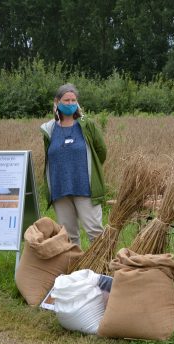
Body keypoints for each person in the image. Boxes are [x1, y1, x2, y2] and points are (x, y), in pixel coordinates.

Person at [40, 83, 107, 247]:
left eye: (73, 100)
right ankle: (75, 270)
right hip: (60, 189)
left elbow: (101, 151)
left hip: (85, 187)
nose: (70, 104)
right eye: (66, 100)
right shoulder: (49, 129)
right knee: (69, 237)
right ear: (57, 102)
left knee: (95, 232)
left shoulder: (86, 125)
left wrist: (89, 170)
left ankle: (101, 268)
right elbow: (49, 156)